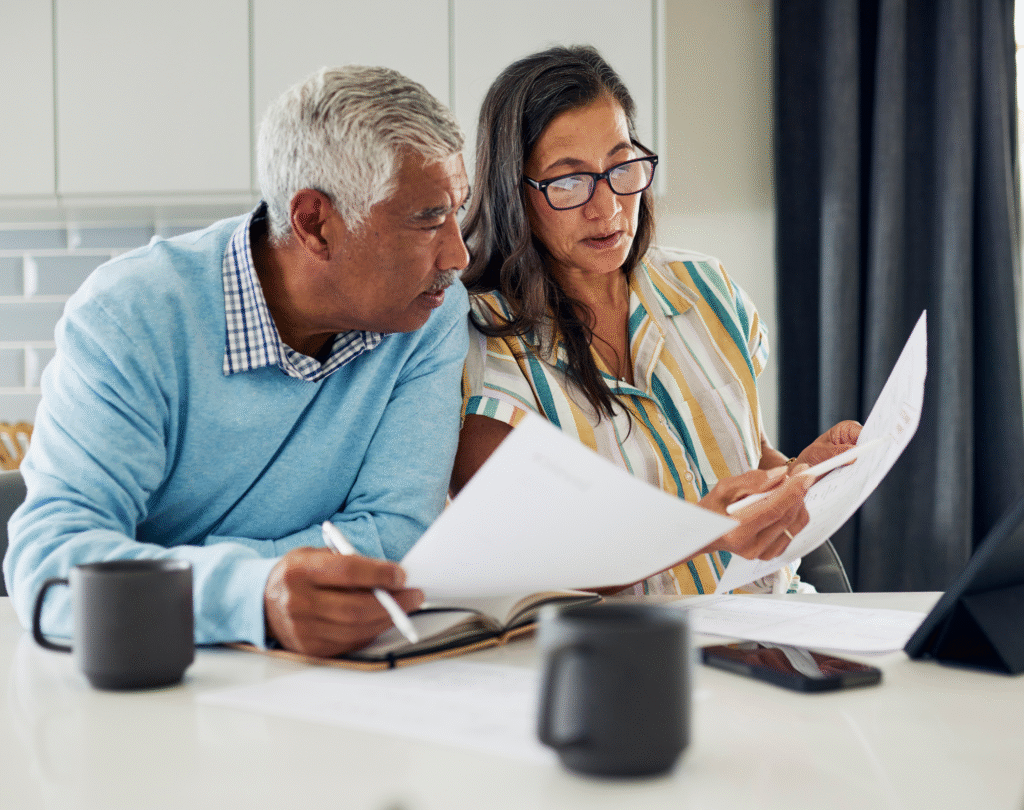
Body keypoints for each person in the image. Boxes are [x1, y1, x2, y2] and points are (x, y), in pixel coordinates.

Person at [5, 66, 471, 657]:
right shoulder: (131, 315)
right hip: (152, 677)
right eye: (428, 219)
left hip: (323, 680)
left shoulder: (430, 312)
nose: (458, 253)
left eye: (459, 210)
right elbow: (53, 564)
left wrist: (184, 576)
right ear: (315, 224)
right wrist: (253, 595)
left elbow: (396, 538)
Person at [452, 45, 861, 594]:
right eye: (568, 182)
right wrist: (703, 533)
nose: (608, 208)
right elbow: (528, 560)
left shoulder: (706, 287)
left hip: (777, 627)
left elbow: (745, 452)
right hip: (629, 659)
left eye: (621, 167)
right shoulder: (478, 347)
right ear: (514, 192)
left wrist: (798, 476)